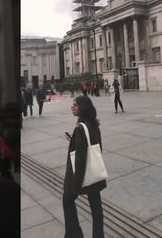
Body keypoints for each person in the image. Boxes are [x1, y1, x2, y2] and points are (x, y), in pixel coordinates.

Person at [63, 96, 107, 238]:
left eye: (75, 105)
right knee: (96, 207)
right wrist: (73, 140)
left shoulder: (81, 128)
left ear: (82, 108)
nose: (72, 107)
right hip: (94, 172)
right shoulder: (93, 124)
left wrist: (76, 185)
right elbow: (97, 147)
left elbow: (80, 159)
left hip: (81, 174)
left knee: (67, 200)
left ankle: (74, 234)